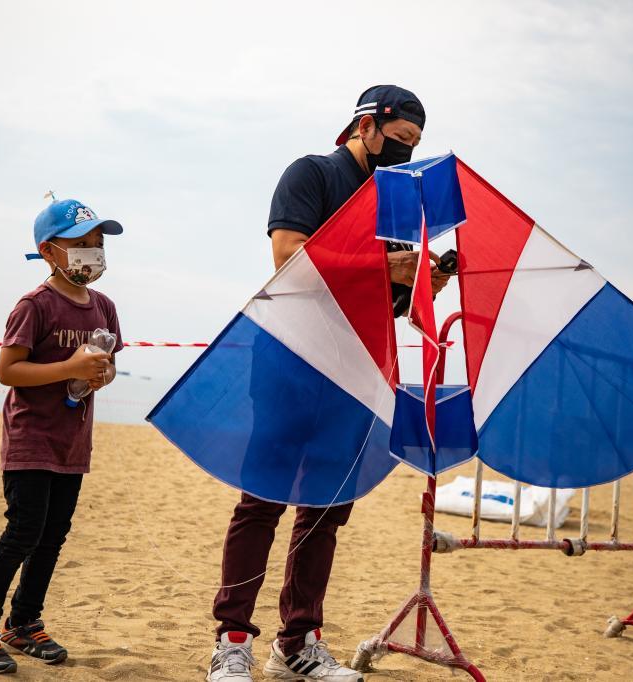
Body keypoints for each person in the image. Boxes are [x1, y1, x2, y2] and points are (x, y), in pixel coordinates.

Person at [207, 85, 450, 682]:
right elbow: (288, 258)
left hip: (355, 370)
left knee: (326, 508)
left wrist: (417, 284)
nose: (407, 151)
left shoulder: (395, 205)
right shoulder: (312, 173)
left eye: (416, 143)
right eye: (400, 139)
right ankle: (232, 640)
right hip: (289, 358)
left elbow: (381, 300)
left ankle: (297, 643)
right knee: (262, 500)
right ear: (365, 126)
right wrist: (386, 266)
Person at [0, 198, 125, 675]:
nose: (93, 252)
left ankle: (24, 622)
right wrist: (69, 367)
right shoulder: (35, 305)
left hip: (72, 442)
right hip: (31, 439)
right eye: (81, 243)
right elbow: (9, 370)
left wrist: (99, 375)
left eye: (98, 243)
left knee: (53, 536)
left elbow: (108, 367)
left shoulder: (105, 307)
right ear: (49, 251)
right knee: (23, 532)